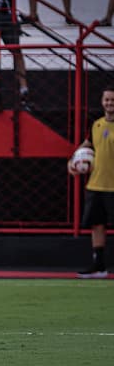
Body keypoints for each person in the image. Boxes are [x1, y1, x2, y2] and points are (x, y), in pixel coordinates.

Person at [69, 86, 114, 278]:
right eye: (107, 100)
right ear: (102, 102)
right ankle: (99, 265)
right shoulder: (96, 124)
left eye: (113, 100)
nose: (110, 103)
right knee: (97, 225)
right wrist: (73, 160)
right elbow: (87, 145)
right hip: (95, 185)